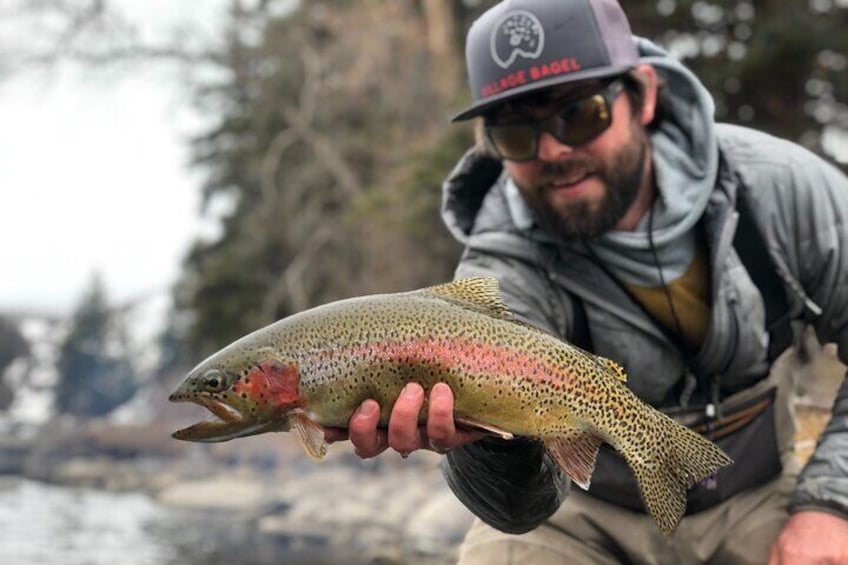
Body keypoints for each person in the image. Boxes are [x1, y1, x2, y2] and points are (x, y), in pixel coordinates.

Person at [324, 0, 848, 562]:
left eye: (580, 115)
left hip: (757, 495)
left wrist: (832, 504)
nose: (553, 150)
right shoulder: (500, 267)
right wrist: (484, 445)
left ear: (643, 95)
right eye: (517, 135)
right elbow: (520, 511)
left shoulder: (782, 191)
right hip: (582, 511)